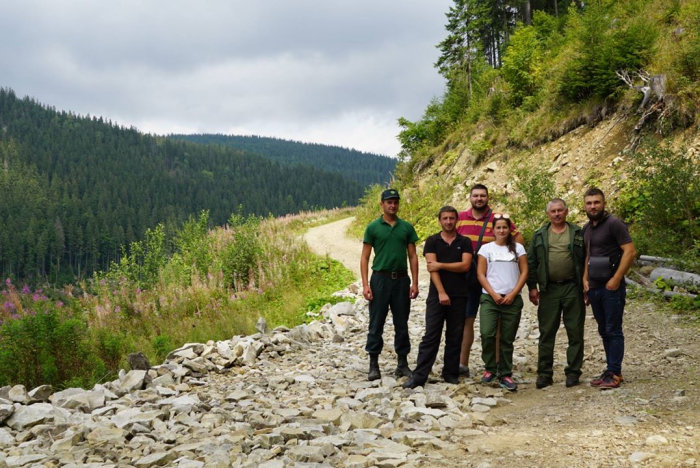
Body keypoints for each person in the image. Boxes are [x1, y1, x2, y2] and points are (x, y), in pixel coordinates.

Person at [456, 184, 524, 376]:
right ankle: (463, 363)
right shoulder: (460, 218)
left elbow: (518, 239)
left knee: (498, 321)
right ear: (470, 198)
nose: (479, 199)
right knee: (467, 319)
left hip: (493, 278)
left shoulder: (497, 219)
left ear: (488, 198)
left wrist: (506, 258)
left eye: (483, 196)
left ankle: (495, 364)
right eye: (476, 196)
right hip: (468, 276)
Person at [403, 206, 473, 389]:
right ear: (439, 220)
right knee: (431, 335)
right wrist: (441, 292)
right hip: (437, 295)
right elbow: (431, 269)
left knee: (455, 335)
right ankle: (419, 376)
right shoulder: (432, 241)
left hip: (459, 294)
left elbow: (465, 266)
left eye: (451, 218)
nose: (448, 221)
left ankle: (450, 373)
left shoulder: (464, 242)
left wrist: (441, 265)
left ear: (456, 220)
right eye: (445, 218)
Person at [361, 188, 419, 381]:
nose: (392, 205)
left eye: (395, 202)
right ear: (382, 204)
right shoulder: (373, 227)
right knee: (376, 323)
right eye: (389, 202)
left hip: (402, 280)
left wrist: (415, 282)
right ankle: (373, 364)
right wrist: (365, 284)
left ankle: (402, 364)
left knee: (401, 323)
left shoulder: (406, 227)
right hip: (380, 279)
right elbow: (365, 257)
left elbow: (412, 256)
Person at [527, 198, 586, 389]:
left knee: (575, 331)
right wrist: (532, 287)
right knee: (547, 332)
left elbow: (587, 259)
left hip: (572, 287)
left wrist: (587, 285)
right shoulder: (539, 235)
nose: (557, 214)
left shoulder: (577, 232)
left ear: (567, 211)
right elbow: (532, 262)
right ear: (548, 214)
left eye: (560, 210)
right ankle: (544, 374)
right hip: (549, 289)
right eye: (553, 211)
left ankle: (573, 372)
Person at [582, 188, 636, 389]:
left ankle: (615, 373)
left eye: (596, 202)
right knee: (604, 330)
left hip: (611, 287)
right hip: (594, 287)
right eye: (589, 203)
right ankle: (610, 369)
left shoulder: (614, 224)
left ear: (604, 203)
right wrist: (584, 280)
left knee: (613, 329)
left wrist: (616, 278)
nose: (593, 206)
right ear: (584, 205)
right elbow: (587, 255)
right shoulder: (587, 228)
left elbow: (630, 252)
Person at [477, 215, 528, 391]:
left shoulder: (518, 248)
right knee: (487, 333)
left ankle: (505, 373)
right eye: (498, 228)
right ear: (493, 230)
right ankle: (490, 368)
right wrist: (493, 294)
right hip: (490, 298)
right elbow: (481, 274)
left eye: (504, 228)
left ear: (509, 230)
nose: (501, 231)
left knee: (507, 338)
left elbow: (524, 272)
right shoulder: (486, 249)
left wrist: (514, 293)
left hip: (512, 299)